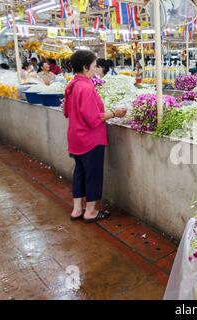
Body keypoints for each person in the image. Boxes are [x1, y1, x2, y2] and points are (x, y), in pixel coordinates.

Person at [63, 50, 127, 222]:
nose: (96, 69)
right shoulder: (86, 87)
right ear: (85, 67)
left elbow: (67, 112)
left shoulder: (72, 85)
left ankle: (77, 209)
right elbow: (93, 119)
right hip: (89, 139)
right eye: (94, 66)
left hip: (75, 136)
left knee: (80, 172)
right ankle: (90, 211)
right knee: (93, 174)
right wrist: (114, 113)